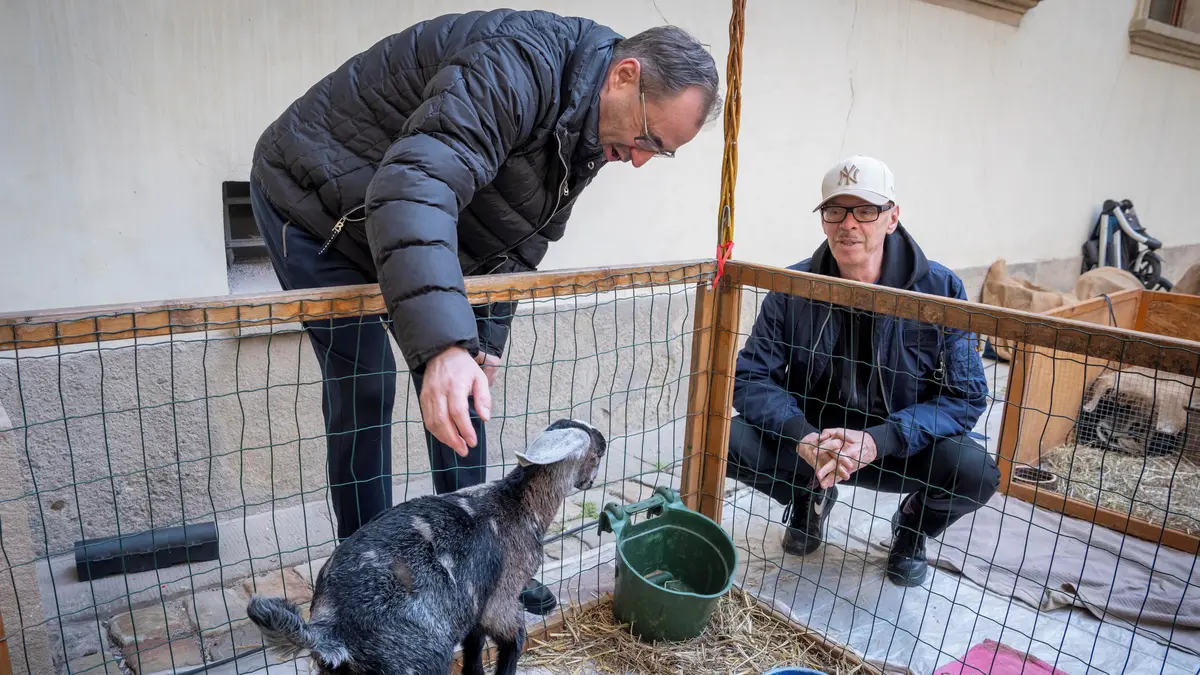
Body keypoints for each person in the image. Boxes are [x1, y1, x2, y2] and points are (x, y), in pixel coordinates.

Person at [246, 9, 722, 615]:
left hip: (404, 215)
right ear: (625, 75)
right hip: (314, 202)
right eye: (651, 138)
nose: (640, 160)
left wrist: (482, 340)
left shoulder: (595, 126)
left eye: (663, 153)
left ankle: (487, 561)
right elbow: (414, 185)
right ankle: (364, 582)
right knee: (366, 381)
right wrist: (443, 346)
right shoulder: (515, 65)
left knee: (466, 386)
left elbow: (517, 236)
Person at [725, 155, 998, 587]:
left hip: (897, 443)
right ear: (824, 220)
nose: (848, 224)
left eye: (865, 211)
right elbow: (751, 378)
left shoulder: (942, 290)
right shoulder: (792, 288)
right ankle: (810, 496)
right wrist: (803, 436)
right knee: (722, 438)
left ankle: (911, 526)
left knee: (975, 471)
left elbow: (966, 396)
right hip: (815, 441)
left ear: (891, 218)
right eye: (835, 211)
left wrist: (879, 440)